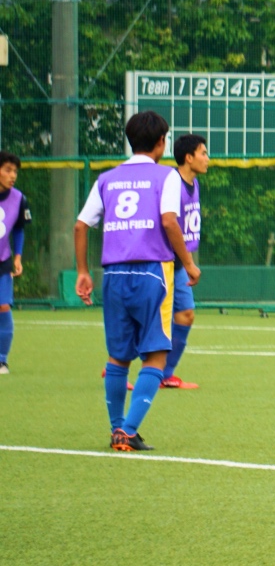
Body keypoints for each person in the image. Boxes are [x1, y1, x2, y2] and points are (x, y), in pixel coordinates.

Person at [74, 111, 198, 451]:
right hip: (152, 273)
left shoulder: (107, 179)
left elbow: (81, 226)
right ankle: (128, 431)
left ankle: (118, 429)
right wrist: (188, 262)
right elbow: (170, 222)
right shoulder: (166, 176)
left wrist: (83, 272)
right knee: (156, 356)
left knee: (117, 358)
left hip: (113, 274)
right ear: (161, 143)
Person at [160, 134, 208, 390]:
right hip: (162, 261)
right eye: (203, 153)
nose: (207, 158)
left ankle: (166, 375)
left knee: (186, 315)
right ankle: (117, 365)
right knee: (150, 318)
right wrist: (188, 262)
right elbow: (167, 224)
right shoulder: (171, 183)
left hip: (178, 262)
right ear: (188, 157)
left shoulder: (194, 183)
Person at [0, 152, 30, 375]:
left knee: (3, 306)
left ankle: (2, 360)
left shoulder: (19, 198)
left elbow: (19, 227)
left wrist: (18, 256)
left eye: (15, 172)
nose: (12, 176)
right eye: (8, 170)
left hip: (3, 260)